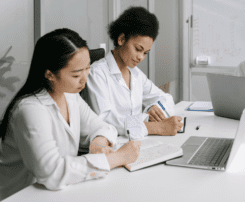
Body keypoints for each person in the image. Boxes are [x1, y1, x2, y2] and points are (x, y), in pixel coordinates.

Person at [0, 28, 141, 201]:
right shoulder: (30, 109)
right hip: (21, 196)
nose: (85, 79)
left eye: (87, 68)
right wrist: (115, 158)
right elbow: (52, 172)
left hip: (58, 193)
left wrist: (98, 142)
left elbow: (102, 126)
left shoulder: (69, 95)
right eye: (76, 74)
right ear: (49, 74)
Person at [82, 7, 183, 140]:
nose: (141, 57)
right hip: (112, 147)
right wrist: (154, 126)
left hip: (138, 142)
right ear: (122, 39)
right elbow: (105, 121)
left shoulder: (135, 74)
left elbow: (166, 99)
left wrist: (153, 108)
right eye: (138, 49)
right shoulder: (97, 73)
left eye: (145, 53)